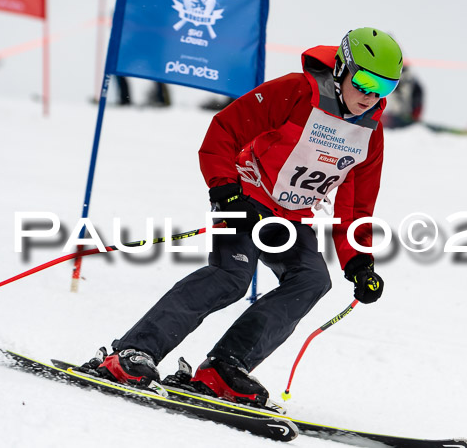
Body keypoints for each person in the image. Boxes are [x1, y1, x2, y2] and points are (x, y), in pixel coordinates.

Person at [79, 27, 403, 408]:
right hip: (247, 198)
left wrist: (360, 263)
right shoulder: (297, 91)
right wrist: (226, 191)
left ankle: (223, 367)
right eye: (364, 80)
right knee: (231, 276)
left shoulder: (370, 133)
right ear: (340, 68)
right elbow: (224, 130)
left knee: (312, 279)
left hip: (291, 219)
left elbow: (355, 210)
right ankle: (134, 353)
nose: (370, 95)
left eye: (384, 88)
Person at [381, 63, 423, 128]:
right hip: (396, 115)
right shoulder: (398, 79)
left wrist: (414, 116)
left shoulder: (407, 79)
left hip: (405, 116)